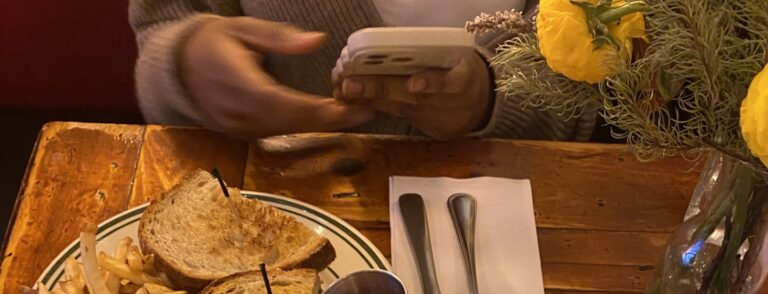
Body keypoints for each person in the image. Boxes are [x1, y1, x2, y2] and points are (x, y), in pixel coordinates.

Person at [129, 1, 594, 142]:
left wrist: (494, 94)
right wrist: (185, 65)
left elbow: (608, 52)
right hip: (274, 196)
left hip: (508, 209)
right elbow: (160, 27)